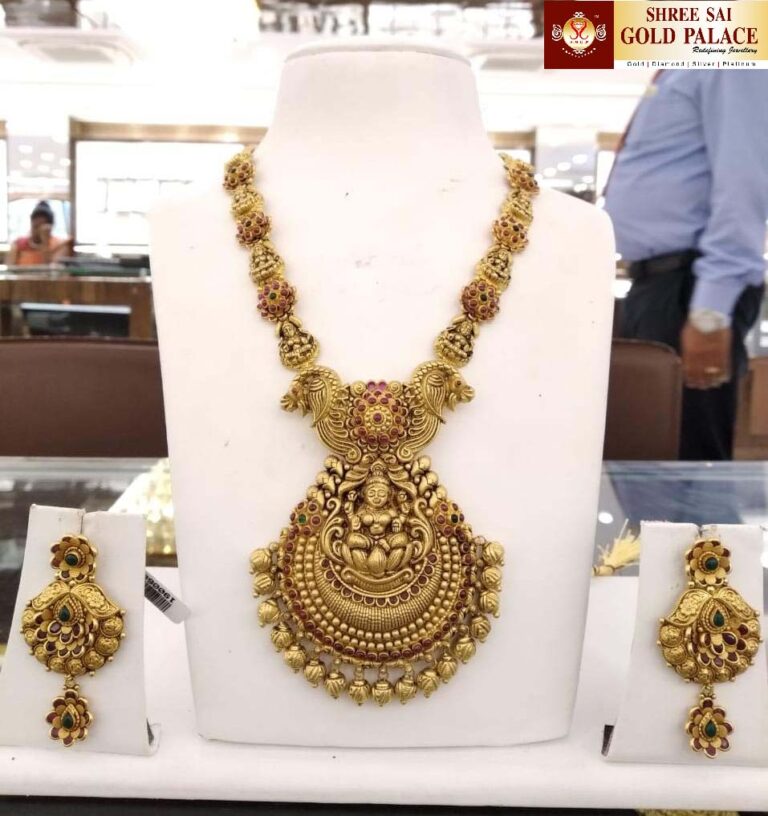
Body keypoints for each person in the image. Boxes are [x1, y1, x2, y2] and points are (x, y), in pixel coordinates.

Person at [604, 71, 768, 461]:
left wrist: (710, 312)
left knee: (686, 461)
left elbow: (743, 186)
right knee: (651, 452)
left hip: (690, 289)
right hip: (660, 284)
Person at [6, 201, 70, 266]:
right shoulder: (18, 244)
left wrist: (45, 242)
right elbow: (10, 267)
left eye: (41, 225)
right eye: (35, 226)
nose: (37, 230)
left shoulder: (60, 245)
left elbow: (52, 269)